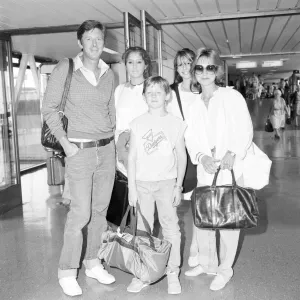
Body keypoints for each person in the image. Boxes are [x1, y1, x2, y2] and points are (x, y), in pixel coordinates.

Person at [42, 20, 116, 297]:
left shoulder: (110, 74)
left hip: (107, 150)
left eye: (99, 39)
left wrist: (114, 148)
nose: (95, 44)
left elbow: (111, 112)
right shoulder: (67, 68)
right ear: (80, 43)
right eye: (89, 40)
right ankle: (67, 271)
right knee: (81, 213)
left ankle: (93, 262)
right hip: (79, 151)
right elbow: (49, 109)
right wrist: (66, 144)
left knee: (100, 212)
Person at [184, 48, 253, 291]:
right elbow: (190, 137)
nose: (204, 73)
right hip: (206, 170)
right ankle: (206, 263)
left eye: (210, 67)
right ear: (194, 72)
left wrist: (233, 152)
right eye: (199, 68)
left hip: (228, 168)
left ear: (218, 71)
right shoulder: (193, 105)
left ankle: (224, 270)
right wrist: (201, 157)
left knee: (227, 222)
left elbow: (244, 128)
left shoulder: (231, 97)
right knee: (204, 220)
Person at [127, 76, 187, 294]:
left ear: (167, 96)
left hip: (166, 183)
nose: (153, 96)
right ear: (144, 96)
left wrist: (178, 186)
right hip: (142, 184)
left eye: (158, 92)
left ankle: (172, 272)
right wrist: (131, 188)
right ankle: (143, 273)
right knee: (143, 231)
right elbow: (131, 157)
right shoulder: (137, 123)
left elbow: (181, 156)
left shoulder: (175, 123)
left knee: (171, 228)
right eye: (149, 92)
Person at [168, 48, 199, 268]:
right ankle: (171, 255)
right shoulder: (171, 91)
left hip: (200, 155)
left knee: (199, 207)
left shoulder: (204, 90)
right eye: (180, 65)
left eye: (189, 63)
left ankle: (196, 253)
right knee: (172, 208)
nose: (185, 68)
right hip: (177, 155)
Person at [115, 46, 152, 175]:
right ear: (125, 65)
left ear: (146, 65)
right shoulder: (119, 90)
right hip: (123, 156)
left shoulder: (153, 88)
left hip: (147, 152)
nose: (134, 67)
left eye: (139, 62)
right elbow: (116, 122)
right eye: (130, 62)